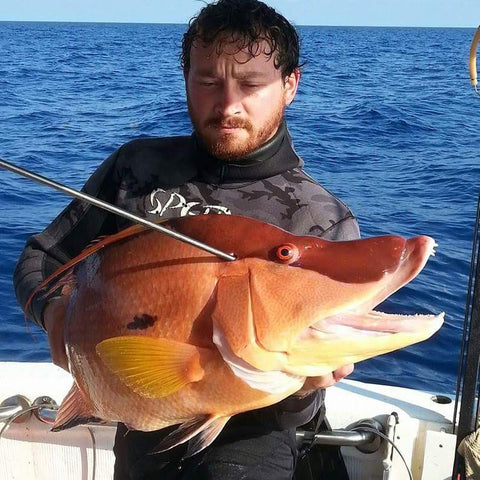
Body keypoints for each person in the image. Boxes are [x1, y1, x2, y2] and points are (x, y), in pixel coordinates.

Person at [14, 0, 360, 478]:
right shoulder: (135, 170)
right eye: (208, 82)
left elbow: (297, 411)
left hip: (254, 448)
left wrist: (306, 387)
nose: (228, 104)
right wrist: (54, 317)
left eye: (251, 84)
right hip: (141, 434)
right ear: (186, 81)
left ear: (290, 85)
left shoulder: (319, 220)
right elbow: (41, 259)